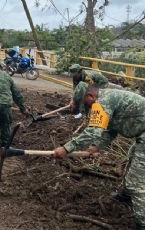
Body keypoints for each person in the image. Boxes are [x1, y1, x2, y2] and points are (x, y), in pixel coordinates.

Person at [54, 83, 145, 229]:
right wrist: (98, 146)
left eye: (85, 103)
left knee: (138, 181)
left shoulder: (101, 102)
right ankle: (127, 195)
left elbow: (92, 132)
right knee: (132, 157)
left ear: (90, 96)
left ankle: (142, 223)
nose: (87, 107)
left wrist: (66, 148)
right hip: (141, 133)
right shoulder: (107, 99)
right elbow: (111, 130)